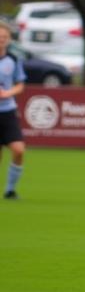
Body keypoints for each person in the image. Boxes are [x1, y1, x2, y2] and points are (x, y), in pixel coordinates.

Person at [0, 21, 27, 200]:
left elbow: (20, 85)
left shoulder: (13, 60)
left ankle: (10, 189)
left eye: (4, 37)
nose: (1, 40)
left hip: (8, 111)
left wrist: (8, 93)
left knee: (18, 150)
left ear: (9, 40)